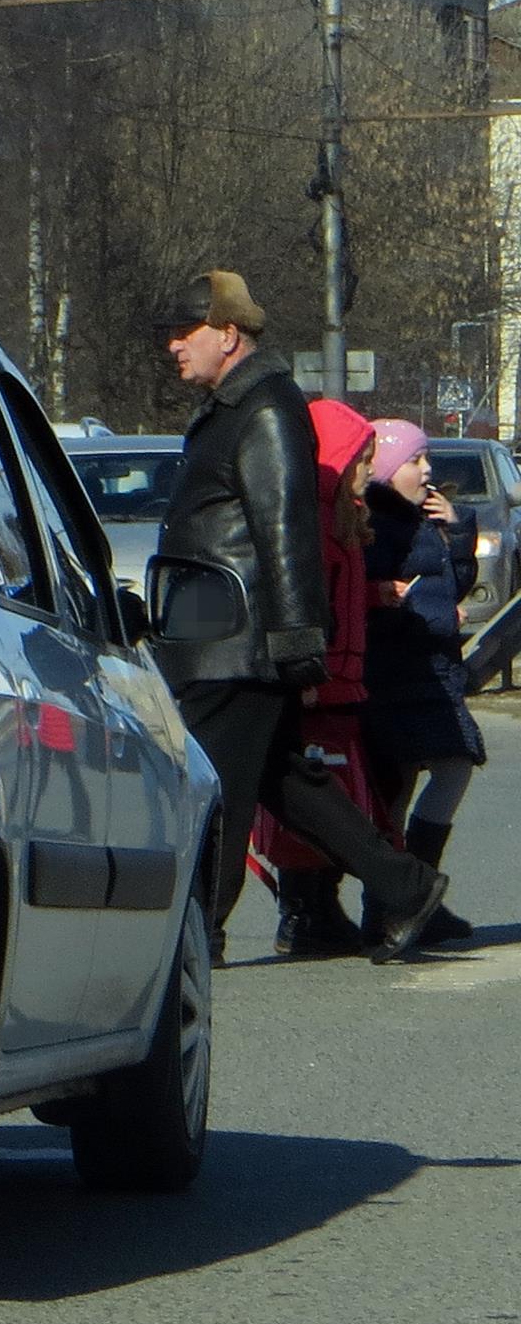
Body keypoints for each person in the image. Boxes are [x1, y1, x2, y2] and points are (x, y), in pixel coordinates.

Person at [149, 269, 444, 965]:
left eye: (186, 331)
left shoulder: (266, 407)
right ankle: (405, 887)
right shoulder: (236, 405)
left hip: (236, 636)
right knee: (284, 781)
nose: (173, 345)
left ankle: (199, 933)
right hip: (218, 627)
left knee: (219, 788)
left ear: (228, 334)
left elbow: (285, 527)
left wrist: (296, 636)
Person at [251, 399, 381, 957]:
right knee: (316, 797)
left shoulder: (345, 516)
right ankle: (302, 910)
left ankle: (321, 904)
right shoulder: (315, 521)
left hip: (342, 679)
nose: (370, 470)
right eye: (362, 459)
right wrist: (305, 668)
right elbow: (308, 601)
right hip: (317, 680)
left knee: (339, 793)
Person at [361, 419, 482, 947]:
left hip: (430, 668)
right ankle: (402, 900)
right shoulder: (379, 524)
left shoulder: (423, 518)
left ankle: (409, 898)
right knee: (414, 778)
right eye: (415, 460)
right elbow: (377, 594)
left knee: (436, 773)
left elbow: (455, 583)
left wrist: (458, 531)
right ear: (387, 469)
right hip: (401, 672)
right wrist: (402, 604)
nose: (427, 469)